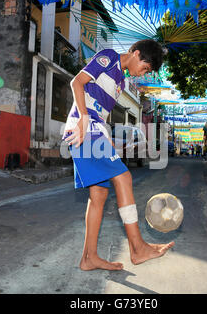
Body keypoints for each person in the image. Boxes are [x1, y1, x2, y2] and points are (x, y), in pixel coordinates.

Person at [63, 39, 174, 271]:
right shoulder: (109, 56)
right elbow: (77, 83)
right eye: (144, 68)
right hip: (84, 126)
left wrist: (112, 141)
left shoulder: (121, 83)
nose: (142, 74)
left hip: (95, 129)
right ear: (135, 53)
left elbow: (100, 113)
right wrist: (83, 119)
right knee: (124, 178)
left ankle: (89, 258)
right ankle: (137, 248)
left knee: (99, 196)